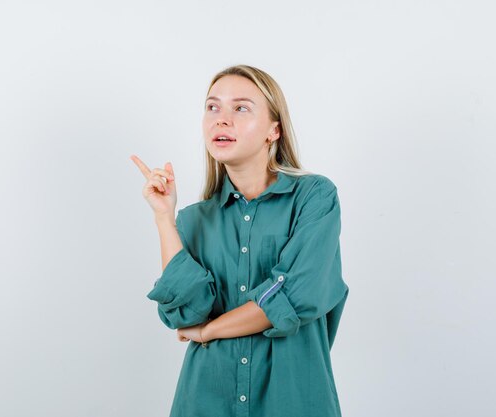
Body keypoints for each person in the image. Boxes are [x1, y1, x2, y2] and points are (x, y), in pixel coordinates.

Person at [130, 64, 349, 417]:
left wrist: (210, 331)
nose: (221, 119)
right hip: (205, 401)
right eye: (212, 107)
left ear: (273, 130)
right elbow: (184, 312)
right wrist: (164, 217)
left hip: (292, 401)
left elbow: (294, 294)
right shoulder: (193, 219)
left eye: (241, 108)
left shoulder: (314, 197)